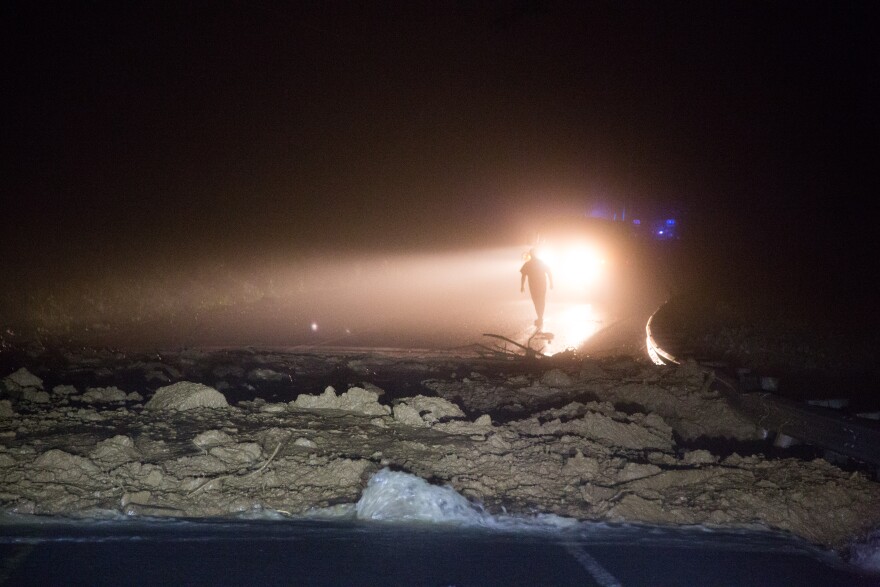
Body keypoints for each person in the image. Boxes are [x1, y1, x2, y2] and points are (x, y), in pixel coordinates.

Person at [520, 248, 553, 329]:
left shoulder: (528, 264)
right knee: (541, 300)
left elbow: (523, 276)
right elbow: (549, 272)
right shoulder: (540, 262)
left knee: (536, 301)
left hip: (534, 286)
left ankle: (540, 317)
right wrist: (551, 283)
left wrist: (522, 286)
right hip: (542, 284)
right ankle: (540, 316)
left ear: (530, 254)